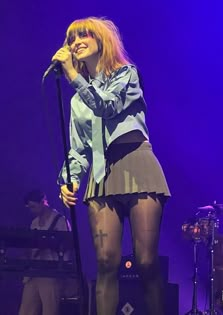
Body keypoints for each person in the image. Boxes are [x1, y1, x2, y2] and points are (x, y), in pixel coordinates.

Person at [55, 17, 171, 315]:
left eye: (84, 35)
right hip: (101, 173)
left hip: (136, 164)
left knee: (146, 261)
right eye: (71, 38)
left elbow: (107, 105)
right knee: (106, 262)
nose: (76, 42)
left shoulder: (126, 74)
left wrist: (73, 77)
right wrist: (68, 179)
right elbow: (78, 148)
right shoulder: (77, 100)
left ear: (102, 40)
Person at [19, 190, 71, 315]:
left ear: (43, 202)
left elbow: (68, 248)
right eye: (29, 207)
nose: (32, 210)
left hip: (51, 274)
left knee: (49, 310)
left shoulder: (60, 221)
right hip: (33, 274)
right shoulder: (34, 223)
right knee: (26, 311)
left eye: (33, 206)